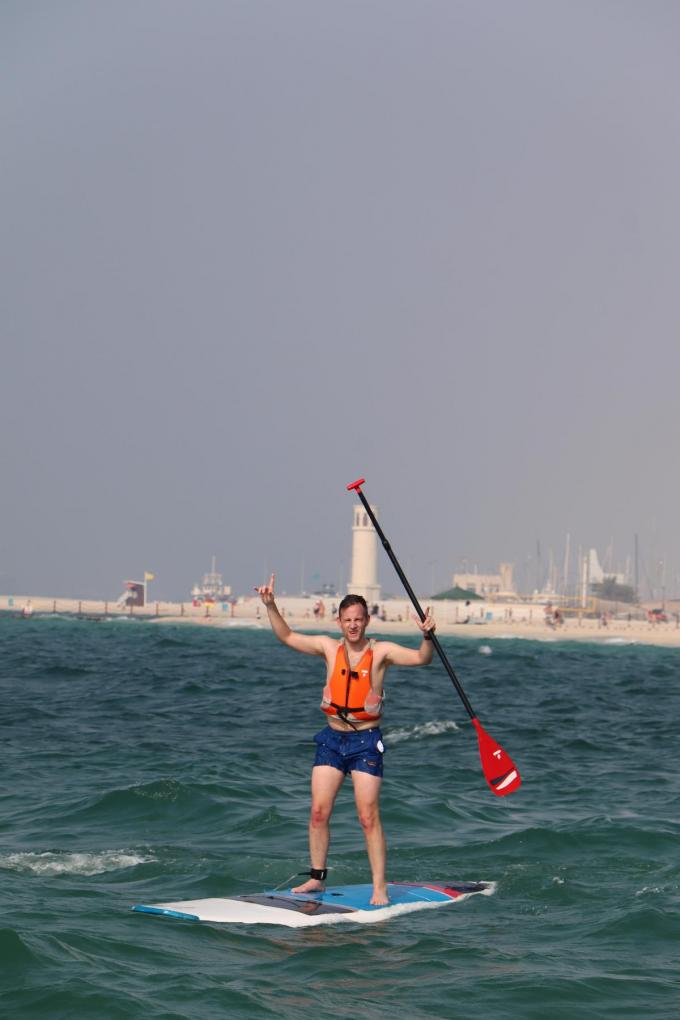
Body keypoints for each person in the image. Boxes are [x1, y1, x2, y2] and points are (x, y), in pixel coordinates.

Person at [255, 573, 435, 905]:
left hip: (365, 742)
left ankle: (379, 886)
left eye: (358, 620)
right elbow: (287, 636)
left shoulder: (381, 652)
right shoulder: (328, 647)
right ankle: (316, 879)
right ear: (339, 621)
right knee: (318, 813)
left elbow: (423, 659)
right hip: (331, 741)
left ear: (367, 621)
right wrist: (271, 605)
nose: (353, 625)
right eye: (347, 620)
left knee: (368, 816)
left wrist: (427, 636)